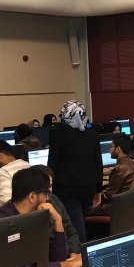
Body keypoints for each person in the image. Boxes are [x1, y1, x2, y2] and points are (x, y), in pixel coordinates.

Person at [0, 168, 81, 267]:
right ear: (32, 196)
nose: (48, 198)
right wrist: (70, 264)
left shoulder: (38, 215)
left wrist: (58, 220)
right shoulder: (3, 223)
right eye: (46, 193)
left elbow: (58, 258)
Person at [48, 101, 102, 243]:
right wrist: (98, 190)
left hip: (67, 189)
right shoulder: (93, 134)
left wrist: (49, 186)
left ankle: (80, 254)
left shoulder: (58, 133)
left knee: (76, 229)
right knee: (82, 223)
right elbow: (98, 163)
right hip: (89, 187)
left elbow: (53, 162)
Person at [32, 165, 81, 254]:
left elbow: (71, 232)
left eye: (49, 186)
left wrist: (73, 253)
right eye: (43, 187)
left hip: (64, 255)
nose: (47, 191)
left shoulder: (54, 200)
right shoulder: (26, 207)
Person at [89, 134, 134, 216]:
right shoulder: (132, 164)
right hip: (126, 205)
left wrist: (91, 197)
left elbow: (108, 195)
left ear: (118, 149)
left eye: (111, 147)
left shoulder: (121, 168)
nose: (109, 150)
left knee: (85, 208)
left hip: (115, 208)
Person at [0, 141, 30, 211]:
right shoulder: (26, 164)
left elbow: (5, 201)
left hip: (14, 214)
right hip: (29, 210)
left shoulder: (4, 171)